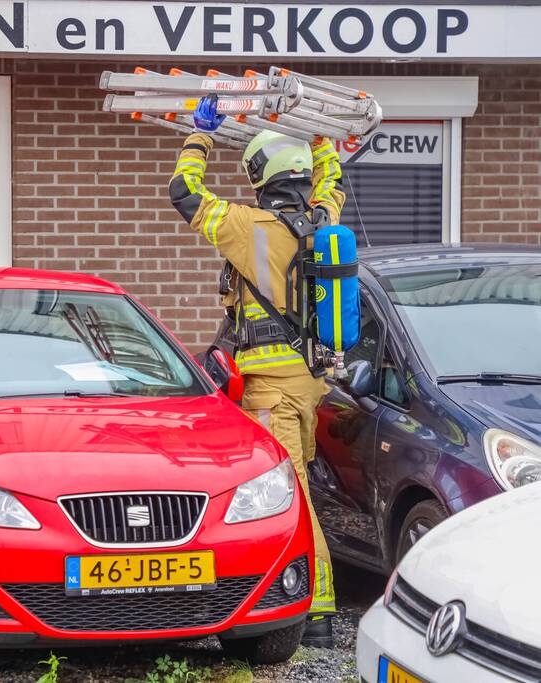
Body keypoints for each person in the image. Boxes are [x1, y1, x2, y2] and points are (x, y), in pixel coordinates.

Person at [168, 95, 345, 647]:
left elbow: (184, 192)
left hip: (271, 387)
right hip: (314, 379)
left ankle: (316, 609)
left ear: (258, 175)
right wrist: (321, 137)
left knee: (290, 491)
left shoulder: (247, 225)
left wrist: (201, 136)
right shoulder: (323, 218)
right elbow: (334, 180)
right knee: (301, 484)